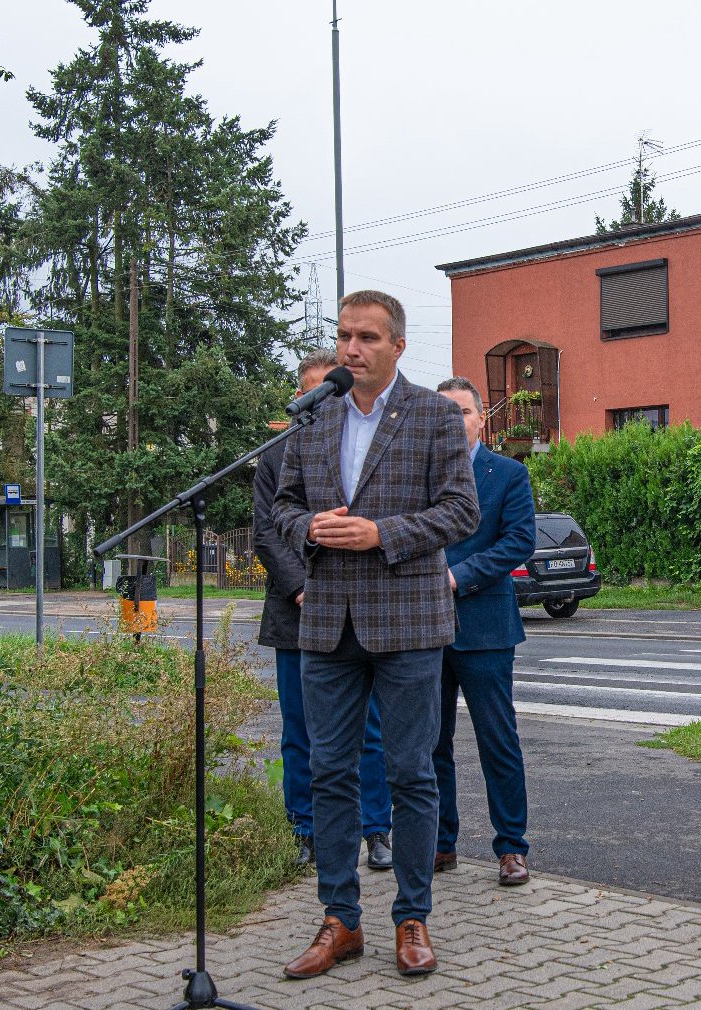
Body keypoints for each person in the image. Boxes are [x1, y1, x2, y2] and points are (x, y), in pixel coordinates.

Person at [272, 290, 479, 979]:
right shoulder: (313, 415)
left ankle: (412, 916)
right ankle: (340, 919)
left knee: (409, 773)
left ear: (396, 346)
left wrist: (379, 533)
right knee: (329, 771)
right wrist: (308, 528)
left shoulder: (432, 416)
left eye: (365, 337)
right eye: (343, 336)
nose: (350, 349)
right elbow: (283, 507)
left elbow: (460, 512)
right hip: (327, 620)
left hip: (409, 621)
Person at [252, 350, 394, 872]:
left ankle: (376, 829)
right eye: (315, 394)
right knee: (301, 733)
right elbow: (266, 532)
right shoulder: (276, 455)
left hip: (364, 613)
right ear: (299, 399)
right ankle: (305, 831)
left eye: (334, 392)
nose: (324, 403)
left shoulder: (370, 450)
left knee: (371, 731)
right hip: (298, 617)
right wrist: (301, 589)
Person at [430, 377, 536, 885]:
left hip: (486, 628)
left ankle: (512, 847)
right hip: (424, 629)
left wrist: (458, 576)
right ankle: (440, 842)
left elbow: (518, 542)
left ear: (480, 418)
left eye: (463, 412)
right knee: (430, 743)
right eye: (443, 412)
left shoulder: (509, 474)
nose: (454, 420)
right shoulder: (419, 473)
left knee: (498, 741)